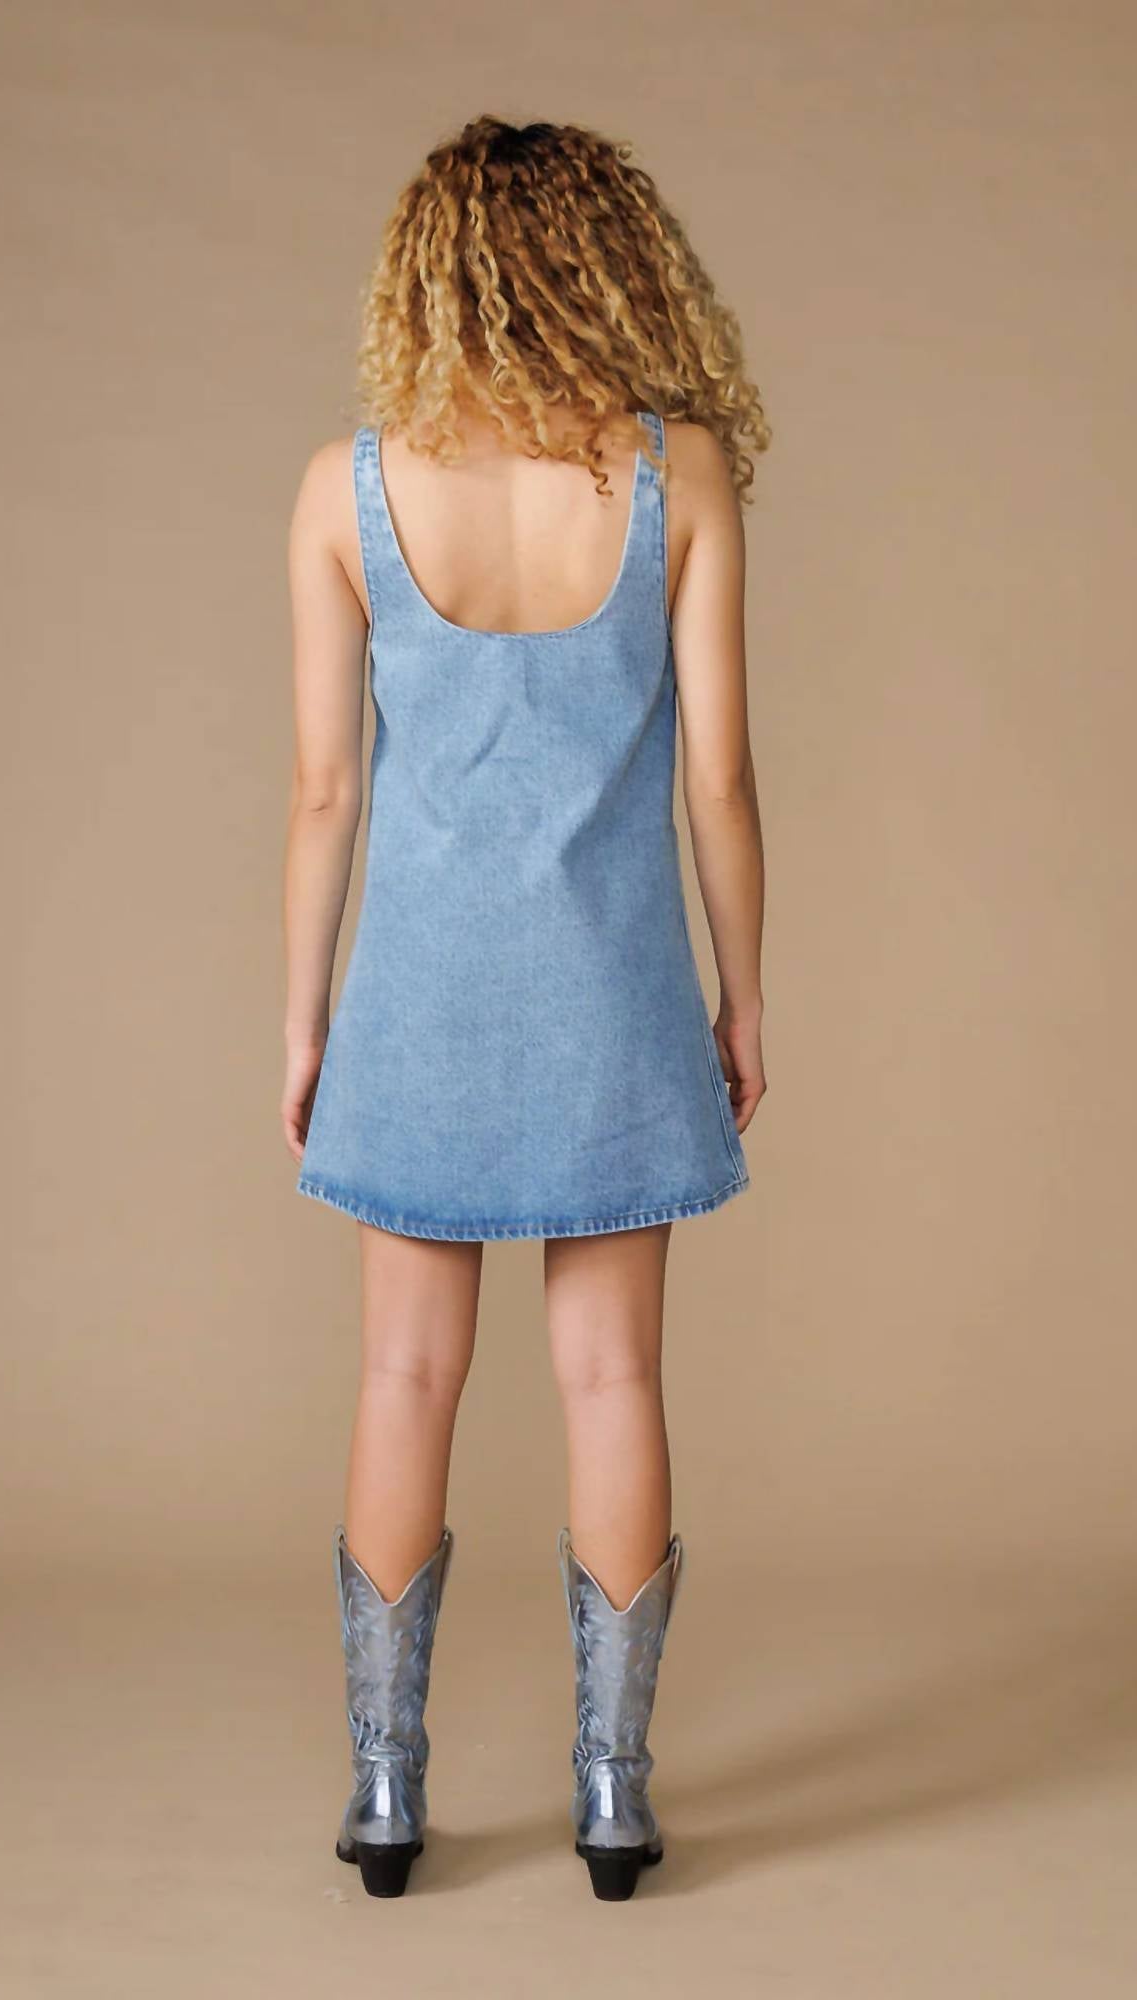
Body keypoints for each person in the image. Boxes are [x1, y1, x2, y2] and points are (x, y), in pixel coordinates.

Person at [282, 114, 769, 1901]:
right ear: (613, 264)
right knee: (614, 1375)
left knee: (404, 1374)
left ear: (430, 279)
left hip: (414, 1003)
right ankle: (614, 1794)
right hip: (615, 997)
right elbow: (719, 782)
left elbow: (324, 793)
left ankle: (386, 1789)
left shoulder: (344, 492)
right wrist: (744, 997)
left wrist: (303, 1029)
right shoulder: (677, 475)